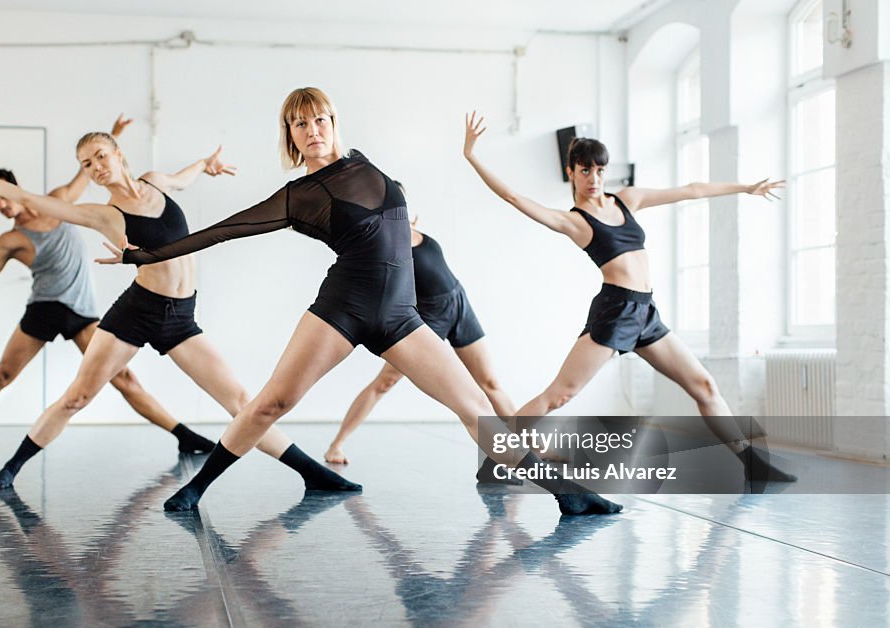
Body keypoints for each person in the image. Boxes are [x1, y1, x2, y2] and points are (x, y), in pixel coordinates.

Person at [101, 87, 621, 515]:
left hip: (401, 315)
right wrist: (142, 255)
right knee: (271, 402)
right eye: (301, 124)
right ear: (291, 136)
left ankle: (566, 495)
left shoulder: (365, 162)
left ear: (333, 121)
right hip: (342, 308)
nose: (314, 130)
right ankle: (194, 491)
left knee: (475, 408)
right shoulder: (297, 196)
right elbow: (223, 231)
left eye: (320, 119)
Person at [0, 126, 355, 494]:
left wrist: (206, 165)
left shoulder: (155, 182)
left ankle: (312, 475)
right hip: (136, 311)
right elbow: (29, 199)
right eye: (86, 164)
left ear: (117, 153)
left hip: (180, 316)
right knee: (77, 396)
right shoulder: (103, 214)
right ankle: (10, 469)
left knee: (239, 399)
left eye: (100, 156)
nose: (96, 168)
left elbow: (185, 176)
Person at [462, 111, 795, 483]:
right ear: (571, 172)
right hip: (615, 310)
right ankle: (496, 460)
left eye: (600, 170)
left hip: (646, 312)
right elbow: (513, 197)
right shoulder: (575, 221)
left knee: (703, 386)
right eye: (585, 170)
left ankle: (752, 464)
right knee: (558, 396)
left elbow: (691, 190)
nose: (594, 178)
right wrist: (473, 156)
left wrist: (745, 188)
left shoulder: (627, 201)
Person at [0, 115, 215, 457]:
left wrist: (112, 138)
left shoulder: (61, 201)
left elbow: (90, 173)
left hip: (82, 310)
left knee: (124, 379)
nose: (1, 204)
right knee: (1, 375)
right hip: (44, 308)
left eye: (1, 196)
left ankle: (183, 435)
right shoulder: (11, 239)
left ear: (12, 189)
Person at [324, 181, 515, 466]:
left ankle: (531, 447)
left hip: (459, 304)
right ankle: (336, 446)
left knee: (489, 382)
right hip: (429, 316)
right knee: (384, 383)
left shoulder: (412, 230)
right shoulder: (385, 245)